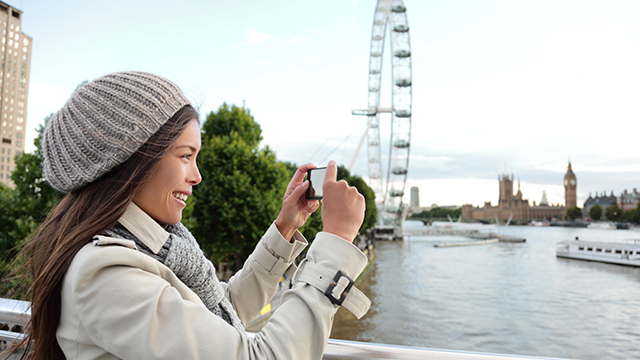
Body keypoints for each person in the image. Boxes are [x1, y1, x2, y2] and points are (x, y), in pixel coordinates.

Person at [12, 72, 370, 359]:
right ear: (132, 160)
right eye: (185, 156)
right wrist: (336, 240)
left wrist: (286, 226)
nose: (197, 175)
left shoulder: (153, 245)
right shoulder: (107, 274)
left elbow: (222, 307)